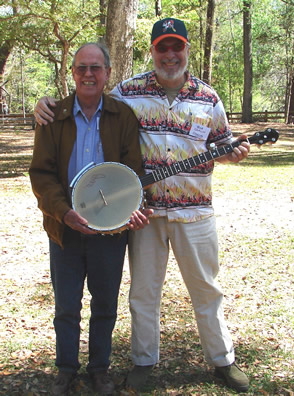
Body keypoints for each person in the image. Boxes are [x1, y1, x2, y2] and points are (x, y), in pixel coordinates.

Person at [34, 18, 251, 393]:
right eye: (162, 47)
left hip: (195, 213)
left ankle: (223, 361)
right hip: (144, 215)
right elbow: (90, 96)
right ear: (152, 50)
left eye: (176, 47)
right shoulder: (127, 92)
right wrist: (45, 102)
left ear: (186, 49)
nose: (169, 55)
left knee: (206, 290)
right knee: (143, 295)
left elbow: (224, 143)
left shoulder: (209, 98)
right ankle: (143, 362)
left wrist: (235, 153)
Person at [29, 42, 152, 396]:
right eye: (81, 67)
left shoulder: (122, 117)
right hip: (63, 229)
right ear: (72, 73)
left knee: (105, 305)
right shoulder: (53, 116)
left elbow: (134, 172)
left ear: (108, 74)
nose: (88, 74)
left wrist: (133, 211)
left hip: (110, 232)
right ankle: (65, 369)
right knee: (66, 305)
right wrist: (62, 213)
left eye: (95, 68)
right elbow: (41, 174)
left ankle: (100, 370)